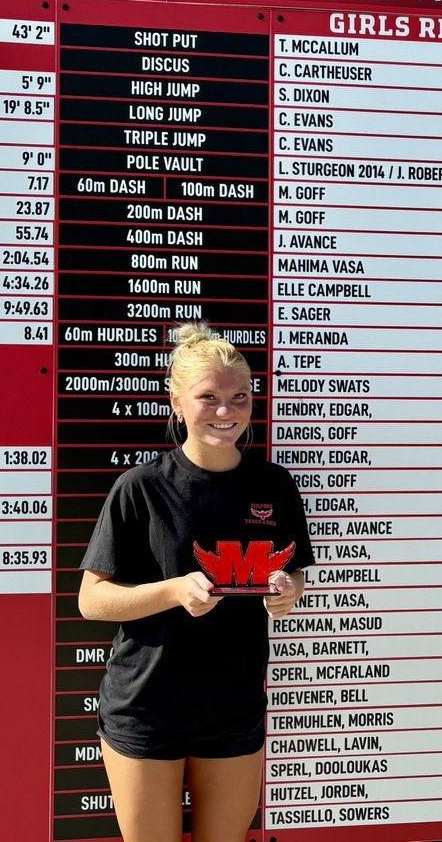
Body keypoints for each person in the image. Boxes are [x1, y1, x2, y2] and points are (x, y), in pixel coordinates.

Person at [78, 323, 314, 842]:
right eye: (208, 397)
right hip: (145, 706)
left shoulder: (274, 485)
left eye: (239, 398)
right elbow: (92, 601)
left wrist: (289, 590)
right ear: (177, 404)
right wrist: (174, 591)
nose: (226, 411)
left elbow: (292, 570)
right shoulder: (139, 488)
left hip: (235, 705)